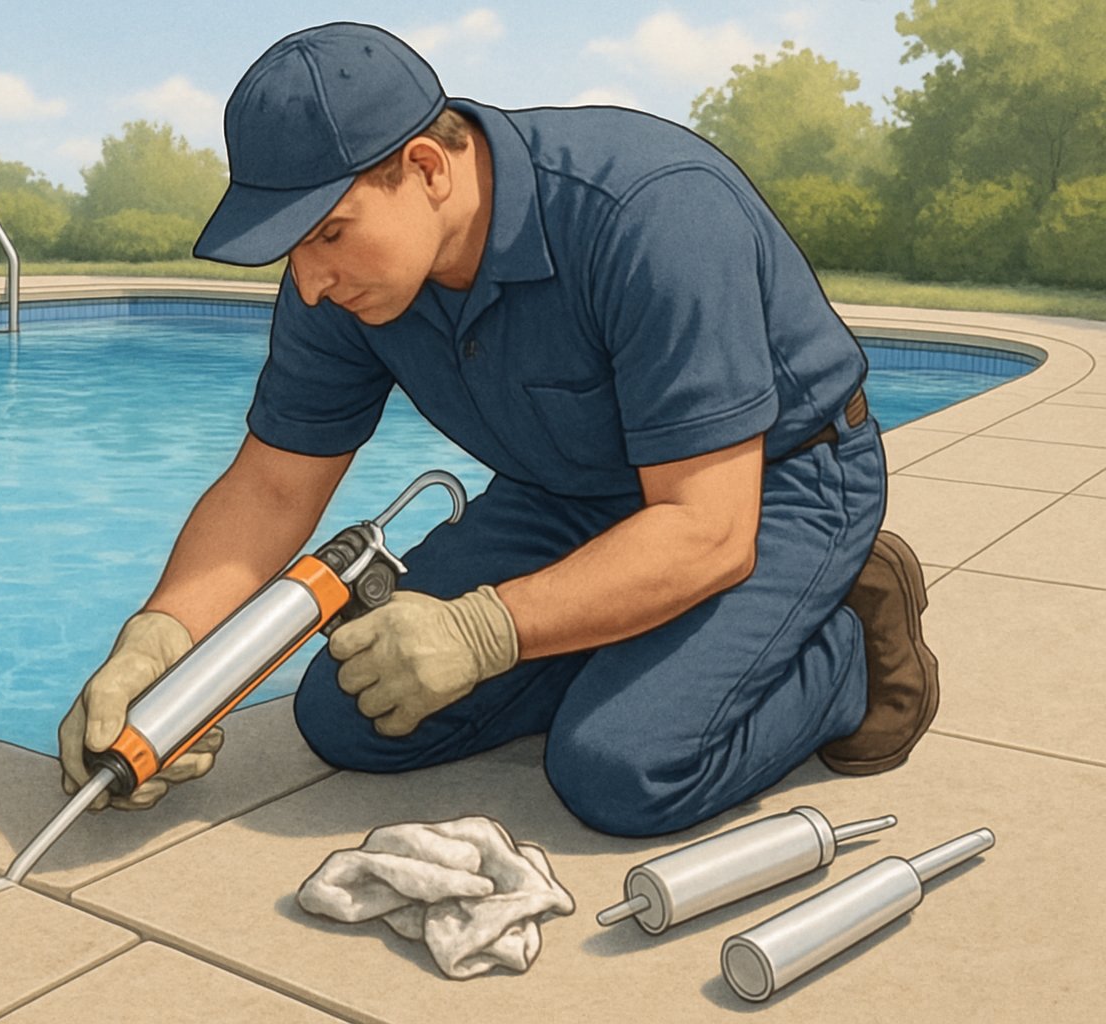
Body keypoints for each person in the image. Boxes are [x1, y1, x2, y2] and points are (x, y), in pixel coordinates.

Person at [57, 22, 939, 836]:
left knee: (621, 769)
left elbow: (707, 529)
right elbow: (275, 483)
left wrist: (487, 632)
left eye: (328, 233)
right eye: (293, 248)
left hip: (774, 483)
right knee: (353, 713)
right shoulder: (341, 280)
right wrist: (160, 639)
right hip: (565, 489)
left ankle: (846, 644)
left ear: (427, 170)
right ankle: (627, 639)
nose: (312, 281)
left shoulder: (653, 212)